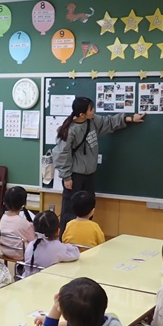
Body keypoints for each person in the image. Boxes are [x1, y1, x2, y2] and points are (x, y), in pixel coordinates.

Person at [52, 97, 144, 232]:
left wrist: (129, 119)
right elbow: (61, 154)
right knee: (70, 210)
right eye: (91, 109)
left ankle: (86, 236)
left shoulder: (92, 121)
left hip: (89, 175)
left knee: (88, 209)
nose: (94, 110)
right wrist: (66, 177)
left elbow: (109, 122)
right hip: (74, 176)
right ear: (82, 114)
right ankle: (67, 239)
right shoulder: (70, 130)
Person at [23, 210, 79, 277]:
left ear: (34, 229)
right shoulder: (57, 247)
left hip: (26, 280)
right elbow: (75, 253)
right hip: (46, 281)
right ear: (58, 231)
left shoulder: (31, 245)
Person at [0, 186, 35, 261]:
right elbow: (33, 240)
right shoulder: (23, 222)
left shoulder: (2, 218)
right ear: (24, 203)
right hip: (21, 254)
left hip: (5, 251)